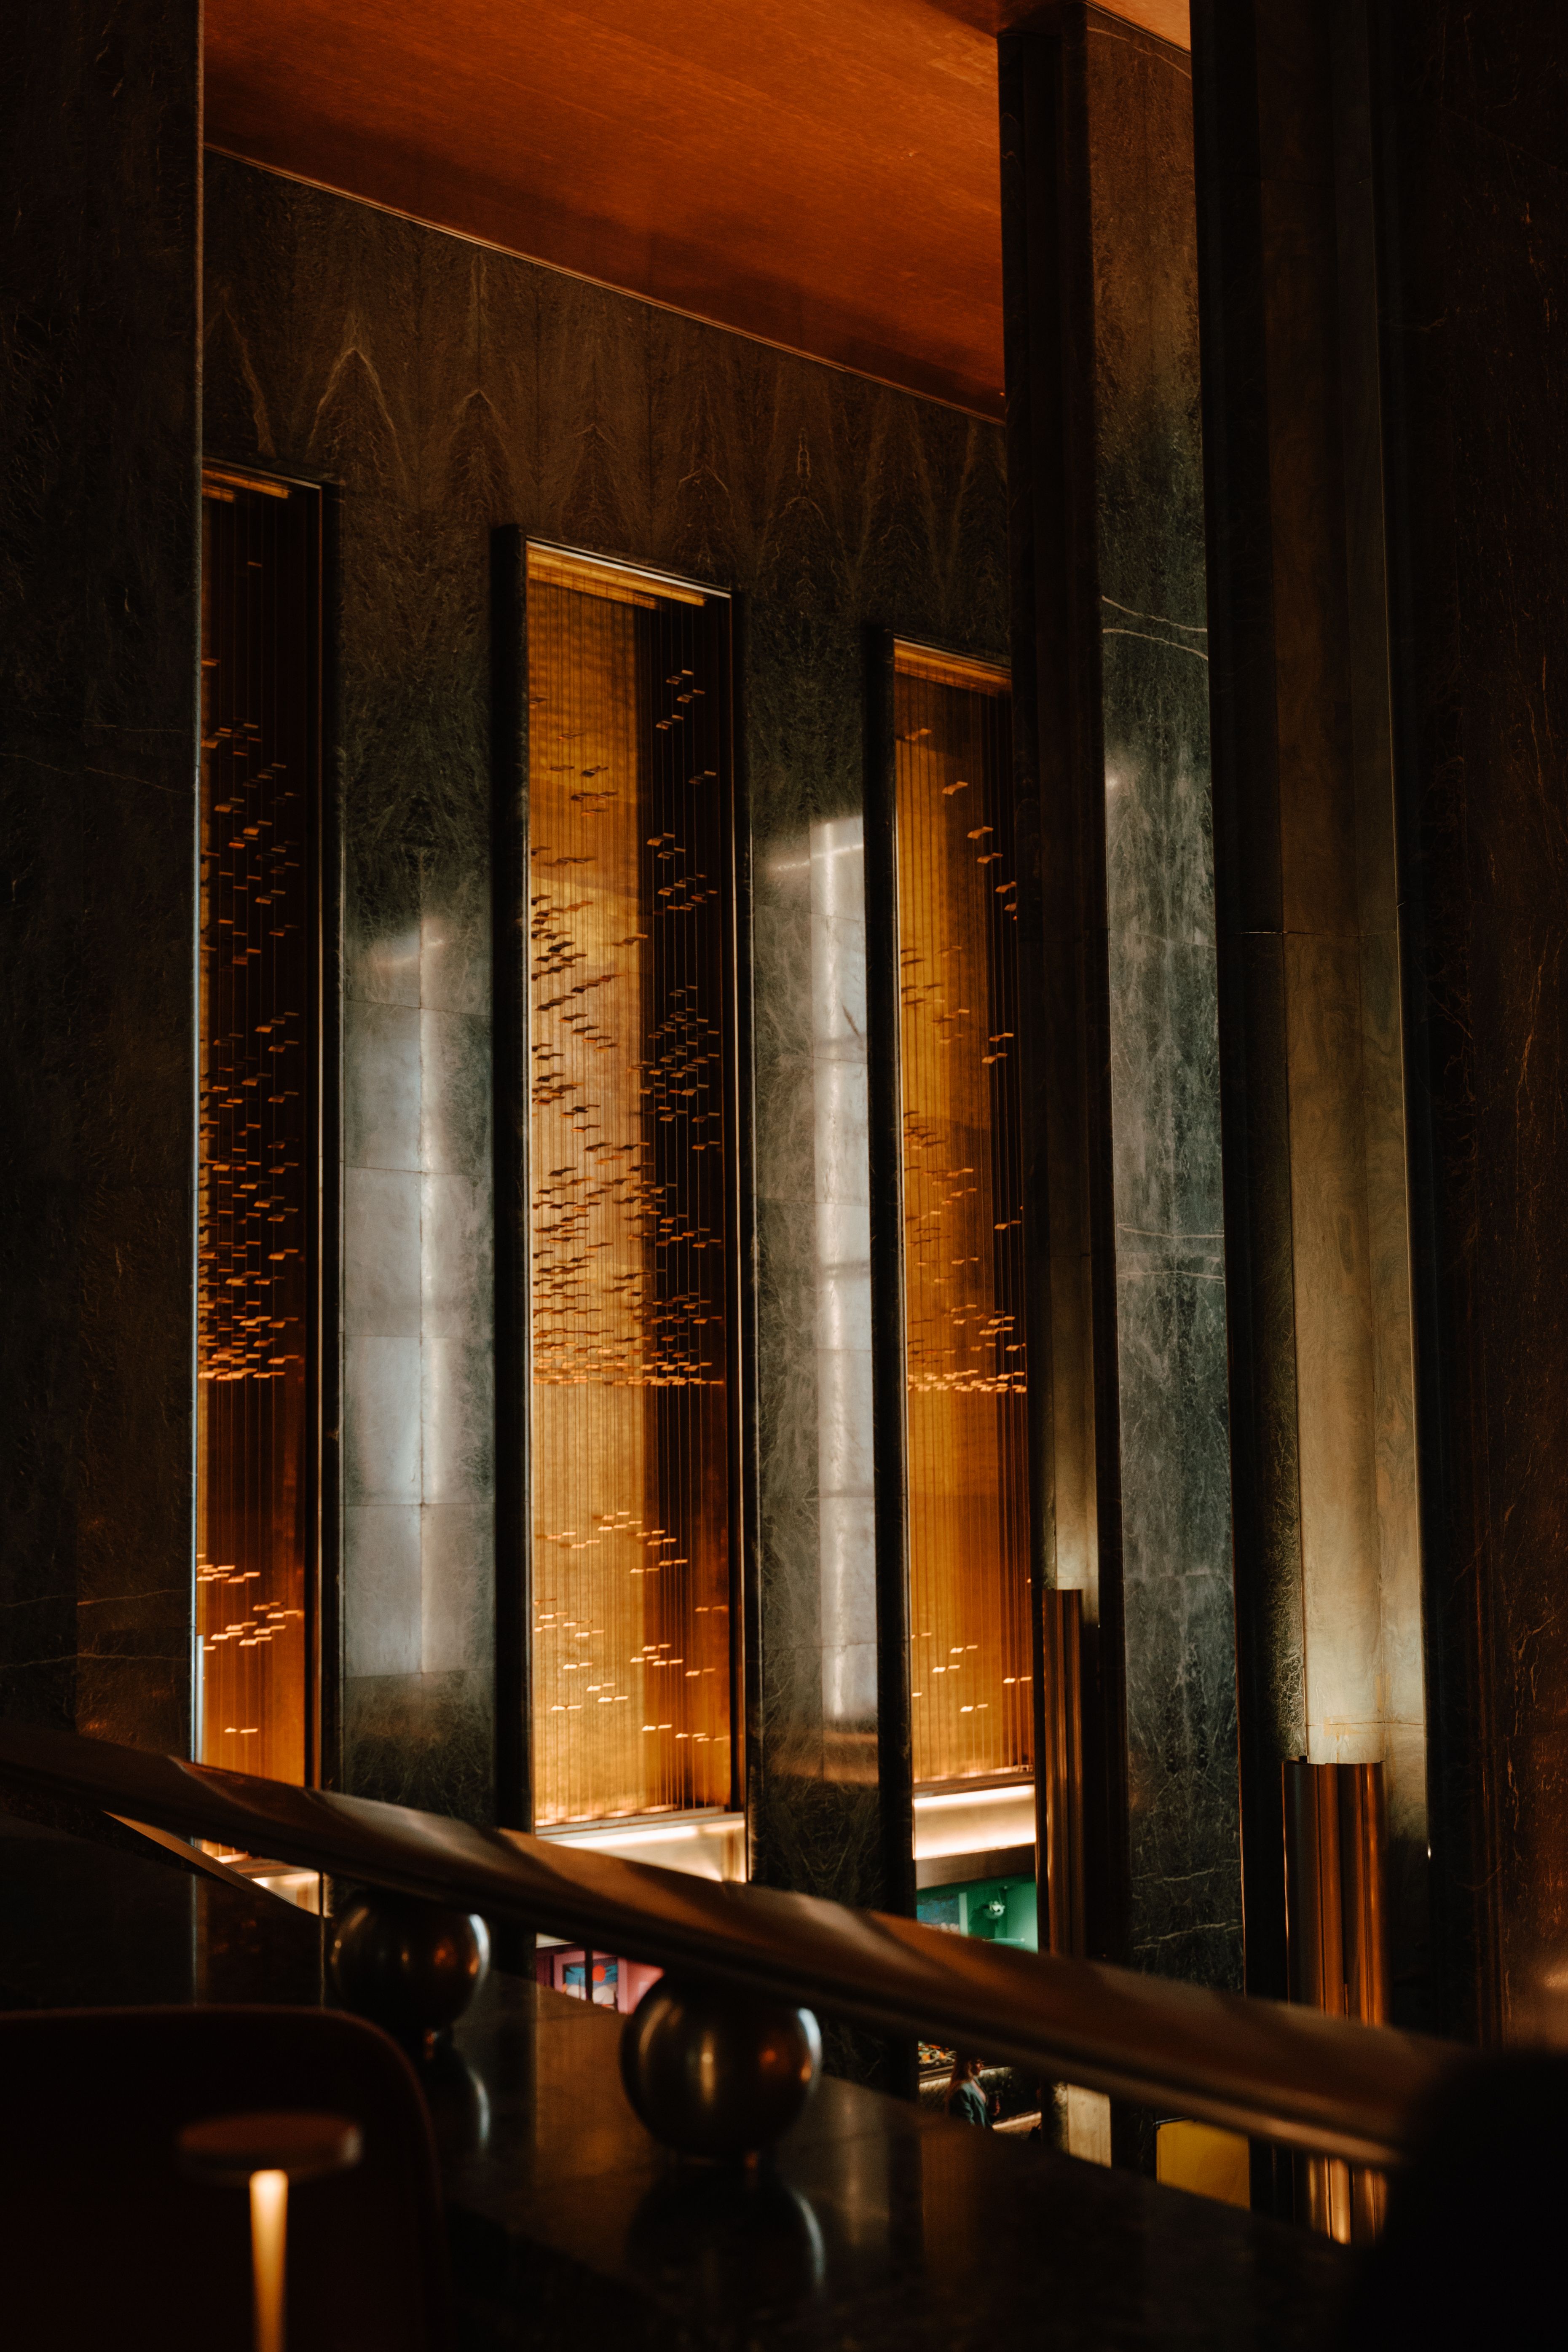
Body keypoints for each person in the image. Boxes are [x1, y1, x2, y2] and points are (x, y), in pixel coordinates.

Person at [945, 2053, 992, 2128]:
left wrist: (992, 2113)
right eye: (978, 2062)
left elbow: (981, 2116)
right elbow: (967, 2125)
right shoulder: (961, 2091)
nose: (982, 2066)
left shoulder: (973, 2081)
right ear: (968, 2064)